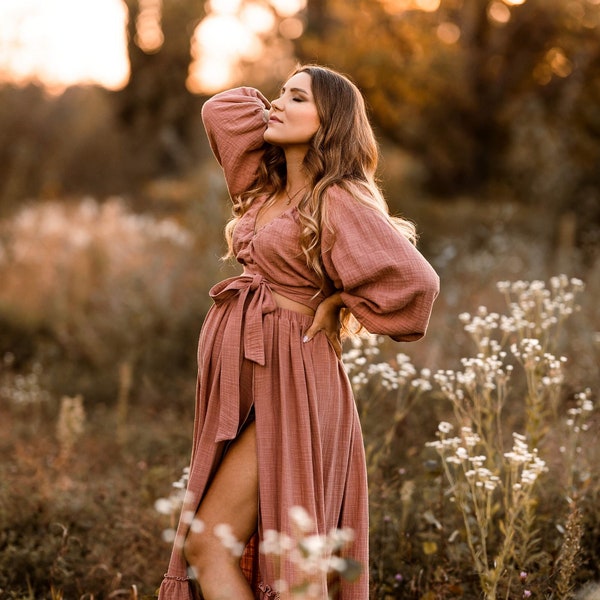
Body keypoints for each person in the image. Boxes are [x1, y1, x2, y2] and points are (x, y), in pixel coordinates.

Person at [158, 64, 440, 600]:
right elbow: (220, 110)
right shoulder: (266, 189)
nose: (277, 105)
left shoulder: (335, 199)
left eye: (296, 98)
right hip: (249, 379)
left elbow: (416, 284)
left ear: (328, 121)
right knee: (214, 547)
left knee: (243, 552)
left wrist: (338, 299)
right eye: (278, 94)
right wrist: (280, 104)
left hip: (297, 382)